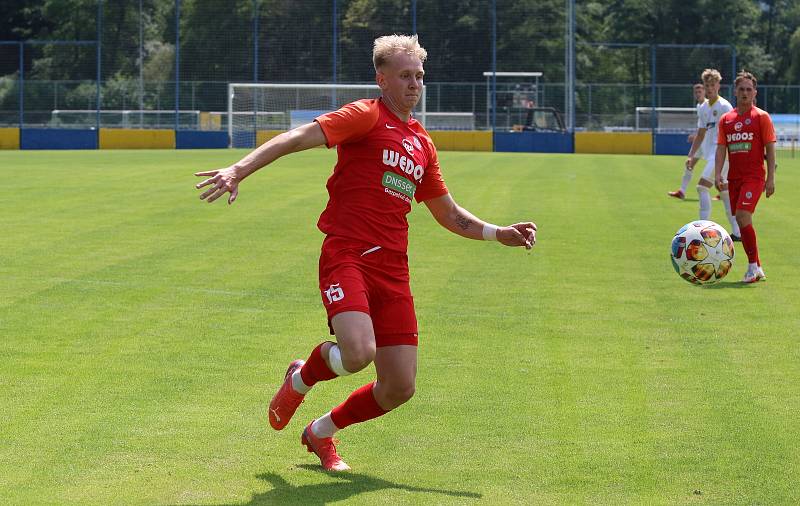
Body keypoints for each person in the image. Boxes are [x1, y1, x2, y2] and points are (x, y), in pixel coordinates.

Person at [194, 34, 537, 471]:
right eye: (405, 76)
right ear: (383, 79)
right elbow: (298, 137)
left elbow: (448, 214)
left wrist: (497, 233)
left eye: (419, 76)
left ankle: (320, 433)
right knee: (358, 354)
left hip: (393, 269)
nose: (414, 84)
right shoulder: (365, 115)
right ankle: (301, 376)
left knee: (399, 387)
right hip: (348, 253)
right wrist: (238, 169)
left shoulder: (422, 143)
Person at [715, 70, 776, 283]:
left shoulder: (761, 117)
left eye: (749, 89)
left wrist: (771, 178)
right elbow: (721, 149)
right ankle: (757, 266)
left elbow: (770, 147)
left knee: (742, 215)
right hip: (734, 178)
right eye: (741, 89)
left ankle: (751, 269)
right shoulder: (726, 120)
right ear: (735, 92)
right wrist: (717, 174)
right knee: (742, 221)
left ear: (755, 93)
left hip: (755, 176)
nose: (745, 93)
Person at [680, 69, 741, 239]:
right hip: (712, 155)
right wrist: (691, 155)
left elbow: (733, 132)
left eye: (712, 85)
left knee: (701, 186)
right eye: (707, 85)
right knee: (724, 191)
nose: (709, 88)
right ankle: (737, 232)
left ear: (718, 85)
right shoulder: (704, 108)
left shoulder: (725, 106)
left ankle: (702, 231)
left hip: (722, 155)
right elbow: (700, 134)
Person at [668, 83, 705, 199]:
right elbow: (703, 126)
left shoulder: (707, 105)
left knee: (720, 168)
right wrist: (696, 136)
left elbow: (711, 127)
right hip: (702, 141)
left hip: (710, 142)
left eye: (700, 92)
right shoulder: (699, 106)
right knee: (689, 164)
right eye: (696, 92)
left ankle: (725, 192)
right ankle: (682, 191)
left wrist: (696, 136)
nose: (698, 94)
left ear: (704, 92)